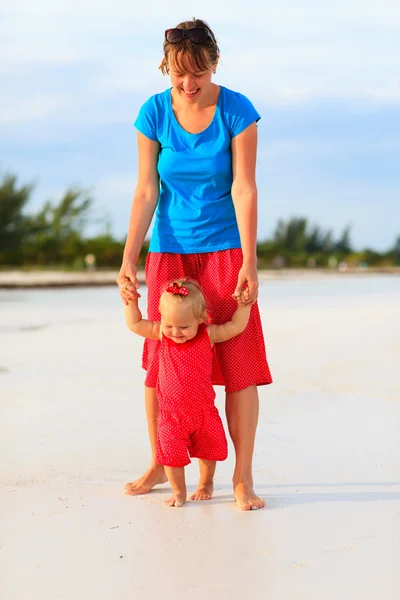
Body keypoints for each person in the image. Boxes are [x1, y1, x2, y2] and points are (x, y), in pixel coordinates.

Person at [117, 17, 273, 511]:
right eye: (178, 74)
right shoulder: (154, 113)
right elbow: (146, 191)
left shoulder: (237, 110)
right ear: (167, 68)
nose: (188, 84)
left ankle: (242, 477)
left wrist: (250, 259)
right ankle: (163, 463)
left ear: (214, 63)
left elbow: (243, 187)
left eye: (198, 73)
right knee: (162, 365)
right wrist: (128, 258)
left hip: (226, 251)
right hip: (168, 251)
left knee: (239, 363)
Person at [124, 278, 253, 507]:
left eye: (184, 327)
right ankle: (178, 491)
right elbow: (135, 324)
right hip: (171, 415)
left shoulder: (208, 335)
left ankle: (205, 483)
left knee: (209, 453)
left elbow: (234, 327)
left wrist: (244, 307)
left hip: (204, 413)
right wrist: (131, 302)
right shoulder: (161, 334)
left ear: (200, 320)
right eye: (169, 325)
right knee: (171, 458)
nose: (176, 332)